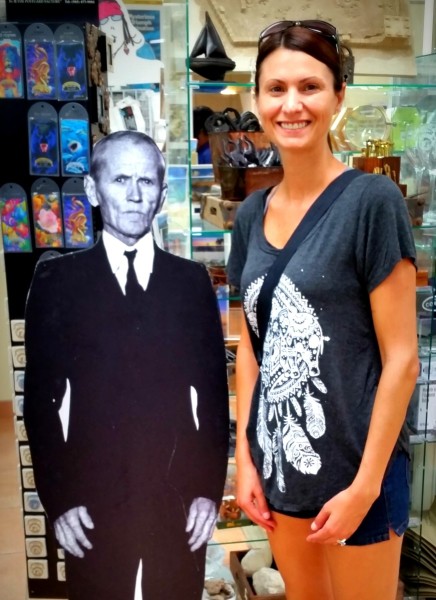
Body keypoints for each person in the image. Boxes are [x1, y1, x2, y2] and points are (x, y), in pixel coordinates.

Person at [226, 20, 419, 600]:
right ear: (256, 99)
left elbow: (403, 359)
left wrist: (365, 487)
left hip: (360, 471)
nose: (291, 104)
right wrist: (246, 459)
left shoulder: (372, 202)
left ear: (338, 96)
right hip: (280, 468)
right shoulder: (248, 216)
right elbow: (251, 353)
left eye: (309, 86)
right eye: (275, 88)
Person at [23, 130, 229, 600]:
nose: (135, 196)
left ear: (161, 193)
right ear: (94, 191)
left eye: (147, 181)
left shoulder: (191, 284)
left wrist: (207, 491)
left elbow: (214, 399)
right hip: (91, 496)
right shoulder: (58, 283)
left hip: (176, 495)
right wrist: (60, 499)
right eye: (120, 180)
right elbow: (40, 404)